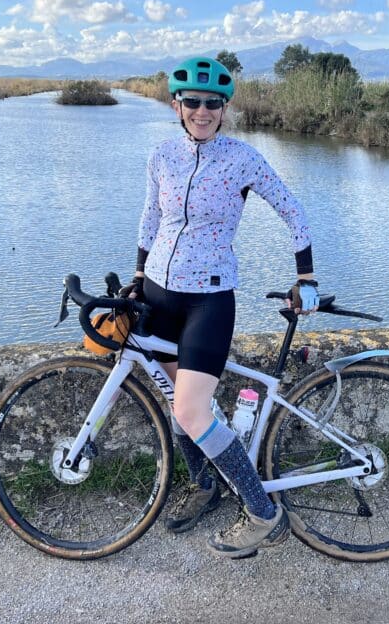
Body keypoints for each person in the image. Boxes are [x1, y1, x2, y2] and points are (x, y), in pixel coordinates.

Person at [122, 56, 320, 559]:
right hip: (159, 296)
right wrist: (137, 278)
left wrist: (306, 276)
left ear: (225, 108)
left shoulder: (242, 159)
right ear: (177, 105)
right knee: (179, 405)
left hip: (209, 299)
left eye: (213, 103)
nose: (202, 111)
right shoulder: (162, 156)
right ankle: (205, 484)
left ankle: (262, 512)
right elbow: (150, 219)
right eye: (193, 102)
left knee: (190, 409)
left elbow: (292, 210)